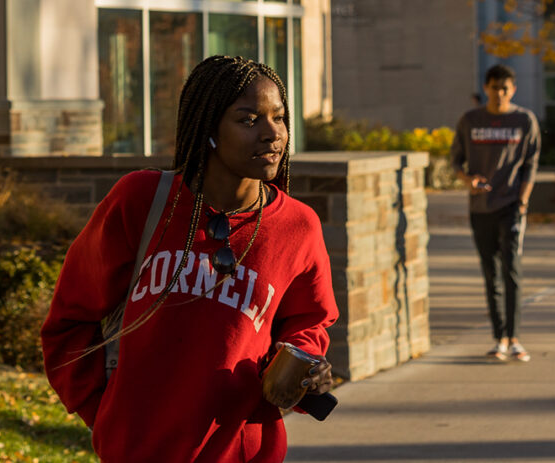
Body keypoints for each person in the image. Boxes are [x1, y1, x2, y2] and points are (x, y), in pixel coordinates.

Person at [41, 55, 338, 462]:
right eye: (248, 119)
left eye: (279, 117)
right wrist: (104, 414)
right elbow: (69, 320)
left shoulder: (299, 226)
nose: (273, 134)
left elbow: (312, 322)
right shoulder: (141, 201)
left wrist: (303, 365)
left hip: (244, 452)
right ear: (208, 128)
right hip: (139, 450)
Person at [451, 64, 542, 362]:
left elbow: (531, 163)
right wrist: (469, 180)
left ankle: (515, 338)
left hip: (512, 206)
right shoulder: (470, 120)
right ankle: (499, 337)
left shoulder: (524, 120)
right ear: (486, 88)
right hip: (480, 208)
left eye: (505, 88)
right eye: (494, 87)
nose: (499, 93)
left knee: (511, 270)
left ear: (512, 90)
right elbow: (455, 162)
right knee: (491, 274)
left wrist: (523, 200)